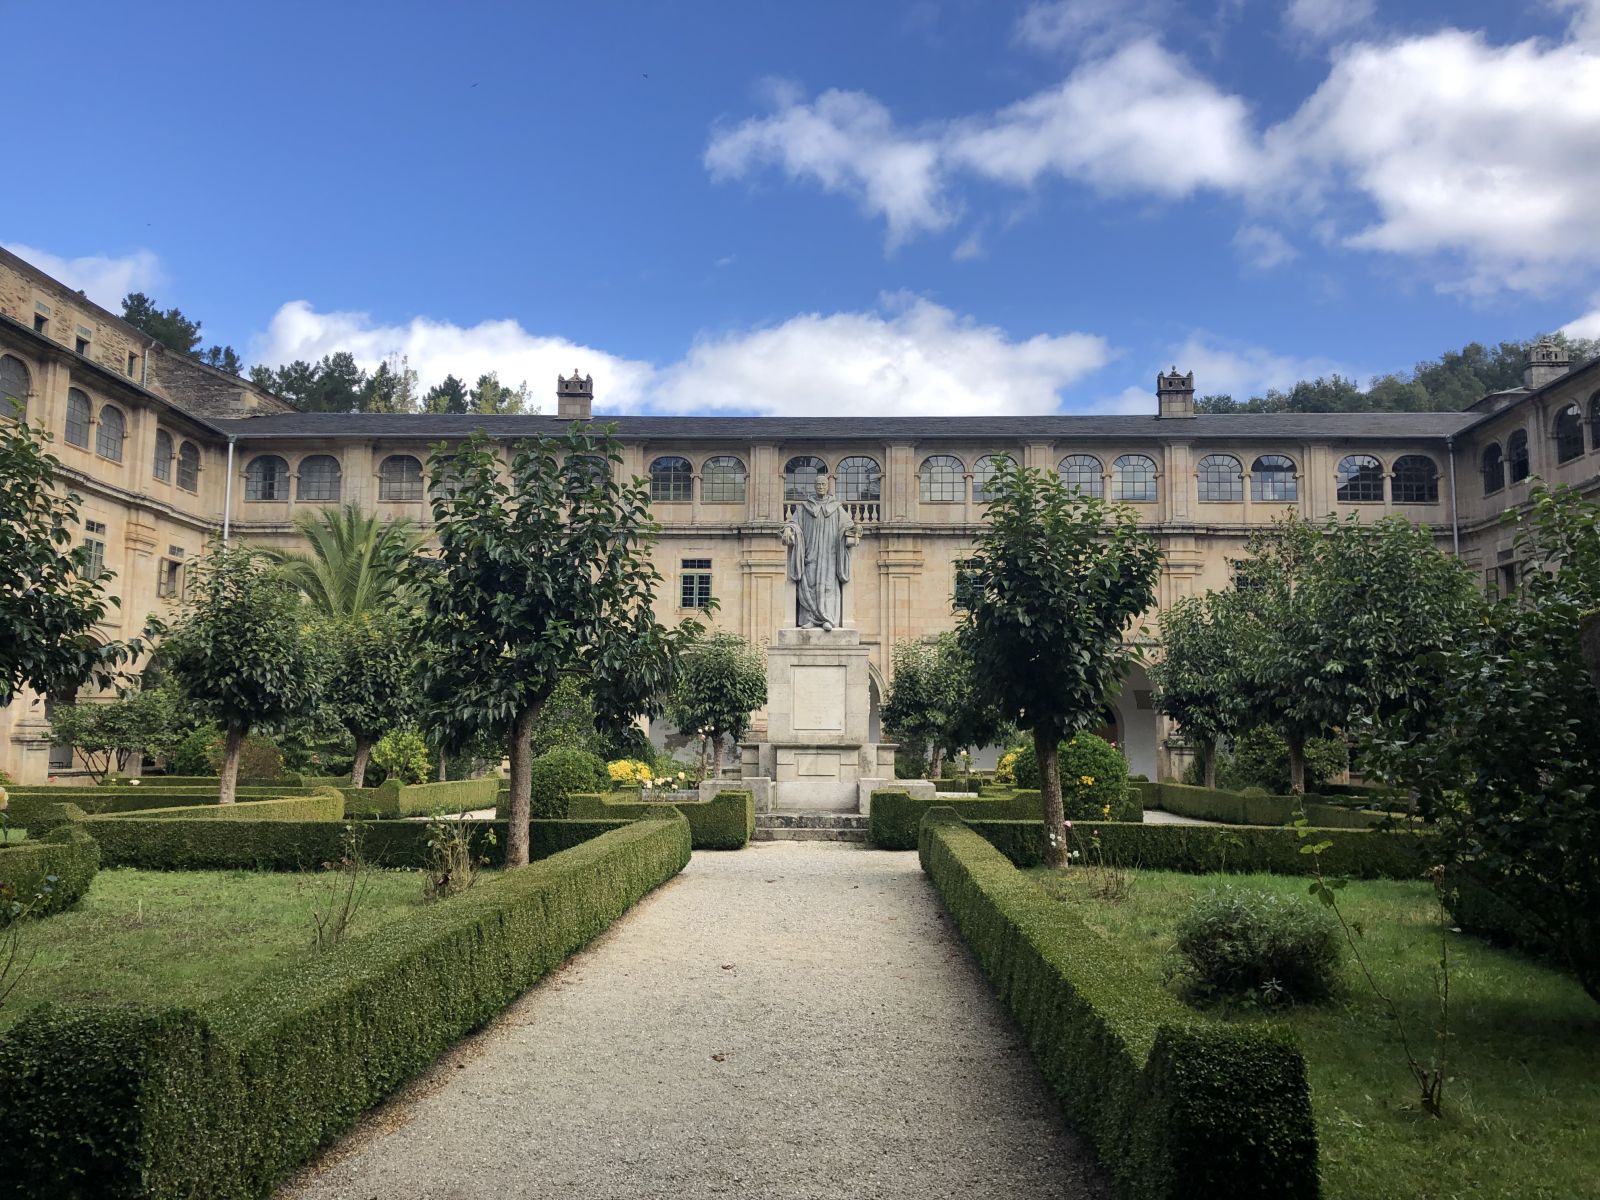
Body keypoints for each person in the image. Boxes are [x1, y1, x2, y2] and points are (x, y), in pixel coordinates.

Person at [781, 471, 858, 630]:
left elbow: (848, 525)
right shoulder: (805, 507)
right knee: (809, 584)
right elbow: (793, 523)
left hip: (830, 553)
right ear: (814, 487)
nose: (821, 487)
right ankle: (811, 618)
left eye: (823, 484)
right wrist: (789, 529)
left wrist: (855, 530)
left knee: (828, 586)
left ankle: (828, 619)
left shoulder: (836, 508)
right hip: (810, 552)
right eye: (818, 484)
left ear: (828, 486)